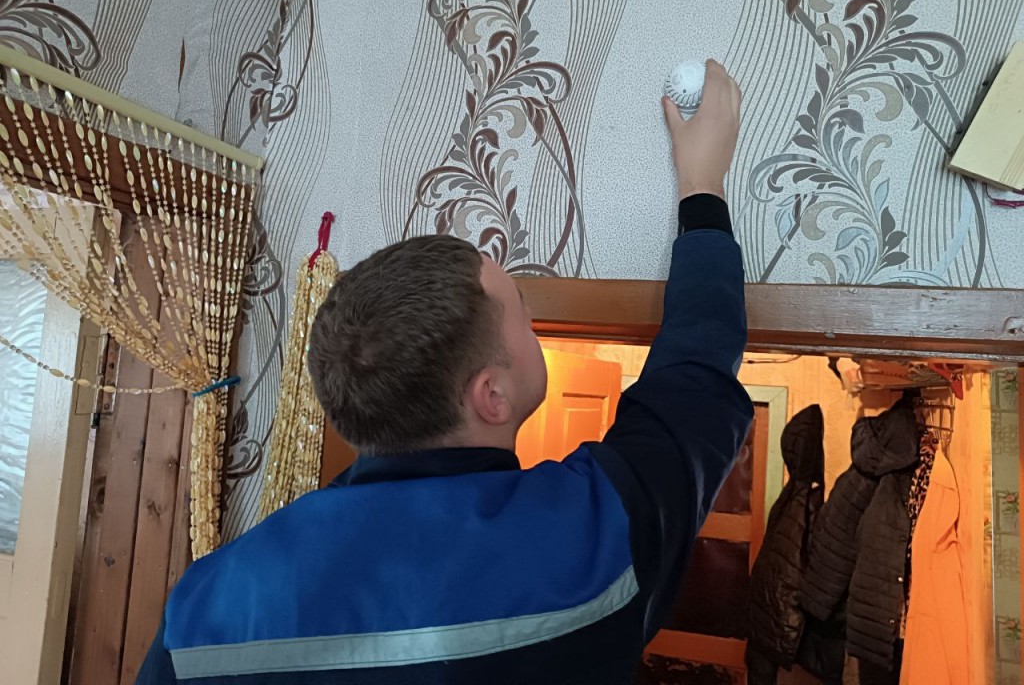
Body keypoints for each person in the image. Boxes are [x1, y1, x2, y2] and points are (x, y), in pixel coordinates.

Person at [137, 60, 752, 684]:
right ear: (491, 394)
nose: (532, 326)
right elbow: (694, 379)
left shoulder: (201, 610)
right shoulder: (586, 541)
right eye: (523, 315)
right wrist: (703, 183)